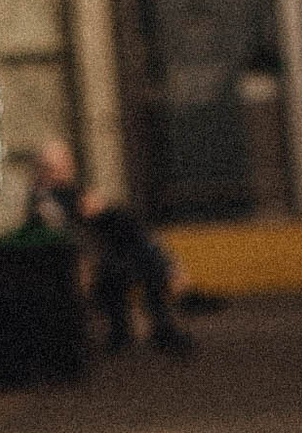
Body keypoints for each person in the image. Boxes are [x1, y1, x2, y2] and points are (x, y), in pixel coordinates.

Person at [26, 136, 193, 357]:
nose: (67, 168)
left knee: (134, 247)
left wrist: (98, 211)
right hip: (74, 262)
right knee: (131, 259)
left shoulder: (74, 194)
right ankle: (163, 295)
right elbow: (60, 234)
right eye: (60, 164)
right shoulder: (44, 199)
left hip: (101, 257)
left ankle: (156, 313)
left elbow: (117, 225)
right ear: (46, 168)